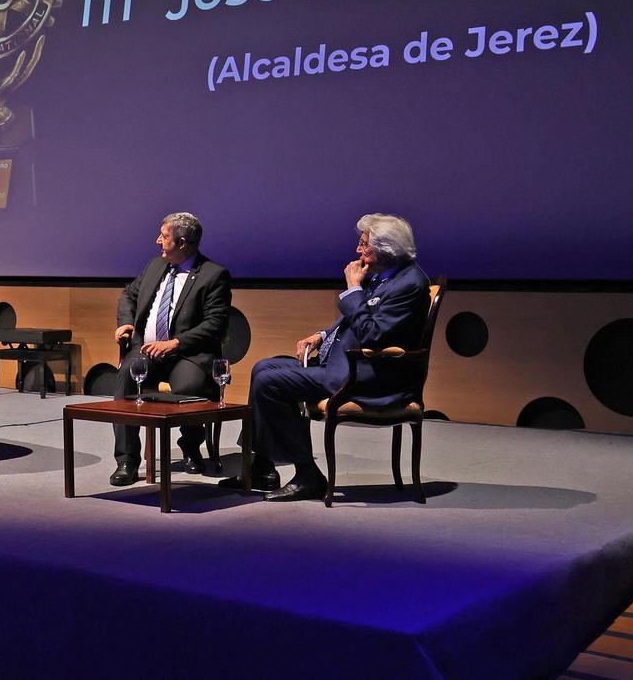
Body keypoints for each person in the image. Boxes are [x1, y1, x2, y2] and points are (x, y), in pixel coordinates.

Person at [222, 213, 430, 502]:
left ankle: (308, 475)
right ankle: (262, 467)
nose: (358, 251)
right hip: (344, 363)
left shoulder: (409, 285)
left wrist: (354, 289)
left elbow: (372, 335)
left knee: (269, 382)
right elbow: (358, 320)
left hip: (368, 376)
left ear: (386, 249)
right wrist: (322, 334)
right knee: (263, 367)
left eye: (364, 245)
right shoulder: (386, 277)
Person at [110, 212, 232, 485]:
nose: (157, 241)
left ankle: (190, 446)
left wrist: (175, 343)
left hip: (187, 354)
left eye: (164, 237)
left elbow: (215, 323)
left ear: (182, 242)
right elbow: (128, 294)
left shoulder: (214, 275)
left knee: (190, 385)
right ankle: (127, 460)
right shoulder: (155, 266)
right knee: (127, 375)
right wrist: (126, 323)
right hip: (148, 351)